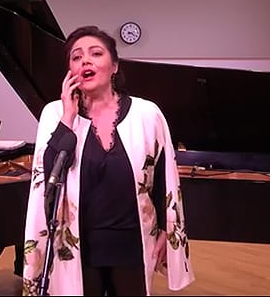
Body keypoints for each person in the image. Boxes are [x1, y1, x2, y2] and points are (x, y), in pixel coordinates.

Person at [22, 26, 195, 295]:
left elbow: (165, 178)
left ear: (114, 66)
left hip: (133, 241)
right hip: (78, 246)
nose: (85, 61)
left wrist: (165, 229)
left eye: (95, 53)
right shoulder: (54, 113)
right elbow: (47, 179)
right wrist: (68, 118)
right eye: (76, 57)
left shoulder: (147, 113)